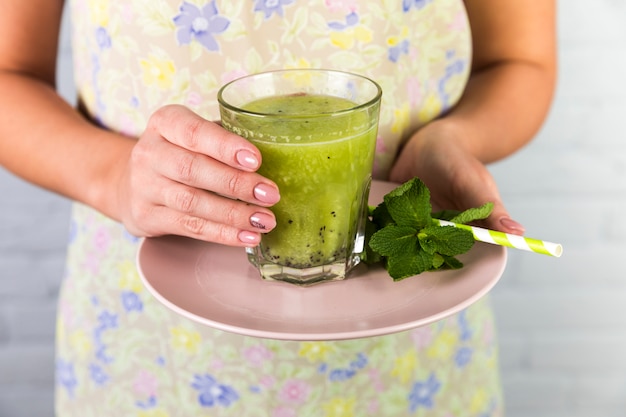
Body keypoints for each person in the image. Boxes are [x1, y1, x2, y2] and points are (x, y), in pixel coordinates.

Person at [0, 0, 556, 415]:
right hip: (148, 343)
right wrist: (115, 176)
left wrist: (452, 139)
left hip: (408, 337)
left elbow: (520, 59)